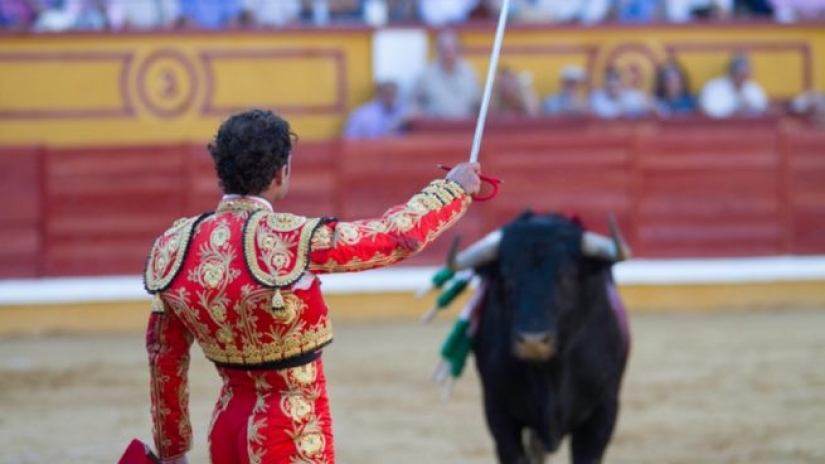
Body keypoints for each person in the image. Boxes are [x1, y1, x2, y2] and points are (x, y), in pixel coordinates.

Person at [142, 108, 481, 464]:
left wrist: (172, 450)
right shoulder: (292, 238)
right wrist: (451, 191)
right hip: (291, 430)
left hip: (226, 430)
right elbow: (393, 237)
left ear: (220, 170)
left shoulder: (175, 245)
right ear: (280, 172)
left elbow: (163, 355)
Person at [413, 30, 480, 119]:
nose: (447, 54)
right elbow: (414, 103)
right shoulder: (426, 75)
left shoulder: (469, 73)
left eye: (451, 50)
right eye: (443, 50)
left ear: (458, 50)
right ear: (437, 51)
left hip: (465, 128)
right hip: (435, 128)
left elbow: (477, 103)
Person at [699, 54, 768, 118]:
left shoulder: (754, 88)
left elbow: (762, 109)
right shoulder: (713, 88)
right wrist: (736, 110)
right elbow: (708, 111)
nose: (742, 79)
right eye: (740, 75)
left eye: (745, 76)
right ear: (731, 72)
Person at [343, 81, 409, 139]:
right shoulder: (361, 115)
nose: (390, 97)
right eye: (387, 93)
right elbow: (349, 139)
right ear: (378, 94)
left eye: (393, 94)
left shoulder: (403, 112)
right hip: (368, 151)